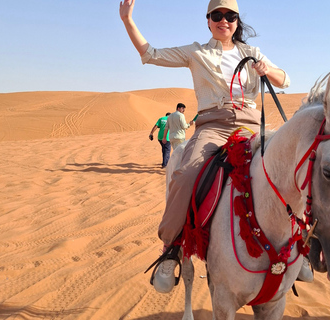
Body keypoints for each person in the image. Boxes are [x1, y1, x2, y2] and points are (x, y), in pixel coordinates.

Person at [120, 0, 312, 293]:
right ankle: (170, 249)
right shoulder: (196, 52)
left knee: (294, 164)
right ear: (208, 20)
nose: (224, 20)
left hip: (251, 126)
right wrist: (128, 21)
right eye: (217, 15)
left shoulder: (251, 52)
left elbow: (285, 79)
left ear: (237, 20)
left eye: (230, 15)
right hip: (213, 127)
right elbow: (150, 54)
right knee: (185, 174)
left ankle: (304, 245)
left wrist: (266, 71)